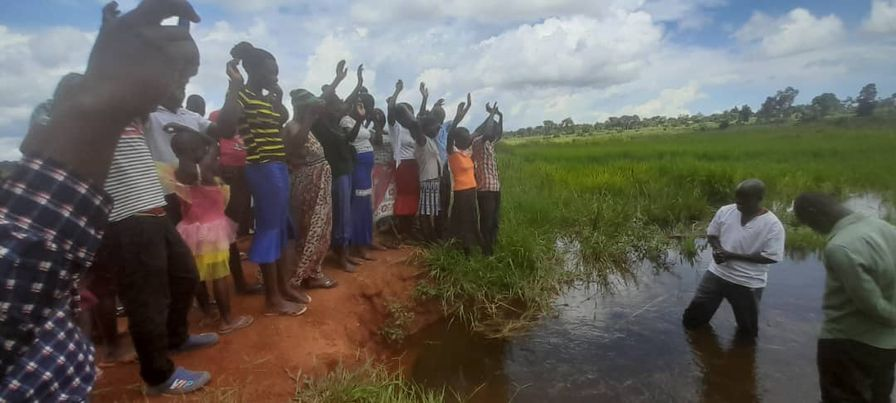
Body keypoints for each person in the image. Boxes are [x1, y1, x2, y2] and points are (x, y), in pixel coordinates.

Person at [1, 1, 208, 398]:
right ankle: (158, 377)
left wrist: (175, 45)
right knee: (147, 297)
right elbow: (35, 146)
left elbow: (153, 92)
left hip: (154, 210)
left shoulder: (131, 118)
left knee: (184, 276)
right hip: (125, 219)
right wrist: (84, 102)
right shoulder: (66, 123)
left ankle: (177, 336)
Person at [228, 41, 307, 315]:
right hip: (262, 168)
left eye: (276, 71)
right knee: (269, 229)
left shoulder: (264, 99)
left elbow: (280, 119)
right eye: (270, 72)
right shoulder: (242, 97)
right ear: (254, 71)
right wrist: (233, 85)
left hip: (277, 167)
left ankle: (282, 287)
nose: (275, 76)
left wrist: (278, 96)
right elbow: (226, 126)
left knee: (282, 228)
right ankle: (272, 299)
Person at [793, 193, 896, 403]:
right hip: (887, 345)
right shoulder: (886, 228)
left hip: (848, 343)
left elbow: (871, 304)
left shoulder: (840, 247)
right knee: (880, 397)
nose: (814, 230)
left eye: (810, 224)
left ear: (817, 217)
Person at [171, 132, 254, 334]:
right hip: (213, 230)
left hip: (189, 229)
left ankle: (208, 313)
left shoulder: (176, 172)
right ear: (194, 151)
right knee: (219, 275)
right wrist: (190, 131)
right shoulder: (205, 169)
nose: (206, 151)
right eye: (201, 149)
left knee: (198, 275)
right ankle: (227, 320)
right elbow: (213, 142)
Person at [682, 179, 785, 339]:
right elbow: (712, 234)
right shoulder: (726, 211)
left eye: (745, 199)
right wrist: (717, 249)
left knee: (747, 332)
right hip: (716, 274)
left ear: (759, 199)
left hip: (747, 283)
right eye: (737, 197)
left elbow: (771, 257)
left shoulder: (773, 225)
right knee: (692, 320)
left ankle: (742, 360)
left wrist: (731, 255)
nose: (739, 202)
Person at [284, 89, 339, 293]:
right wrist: (307, 118)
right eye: (307, 106)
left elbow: (330, 104)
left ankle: (312, 270)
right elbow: (293, 149)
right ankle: (308, 274)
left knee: (321, 228)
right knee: (311, 228)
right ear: (300, 107)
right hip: (307, 185)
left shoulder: (309, 126)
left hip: (318, 183)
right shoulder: (291, 127)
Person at [315, 61, 364, 272]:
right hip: (337, 173)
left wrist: (360, 120)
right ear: (327, 107)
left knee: (346, 213)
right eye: (337, 104)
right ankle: (340, 255)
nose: (342, 107)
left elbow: (349, 139)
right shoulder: (318, 122)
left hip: (347, 169)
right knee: (341, 214)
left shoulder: (334, 123)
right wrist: (337, 80)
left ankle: (342, 251)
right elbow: (322, 99)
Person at [209, 109, 262, 294]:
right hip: (222, 186)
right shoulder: (216, 125)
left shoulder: (242, 127)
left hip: (242, 183)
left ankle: (237, 281)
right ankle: (236, 283)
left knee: (231, 234)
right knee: (225, 234)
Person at [343, 92, 378, 260]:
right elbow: (351, 138)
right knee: (359, 207)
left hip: (366, 167)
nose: (361, 107)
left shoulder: (362, 123)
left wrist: (363, 119)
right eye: (359, 104)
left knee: (366, 206)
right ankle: (358, 245)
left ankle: (366, 239)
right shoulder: (346, 121)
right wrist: (359, 118)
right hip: (358, 167)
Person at [386, 80, 420, 241]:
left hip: (415, 166)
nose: (409, 114)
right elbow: (390, 111)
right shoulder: (396, 129)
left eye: (410, 111)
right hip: (404, 166)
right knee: (405, 196)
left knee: (414, 196)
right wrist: (397, 91)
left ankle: (410, 229)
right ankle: (402, 229)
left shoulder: (413, 128)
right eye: (406, 111)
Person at [445, 95, 479, 255]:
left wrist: (470, 108)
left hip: (471, 191)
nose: (469, 140)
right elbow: (450, 134)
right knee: (464, 221)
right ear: (457, 141)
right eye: (465, 138)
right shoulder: (452, 153)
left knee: (470, 220)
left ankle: (465, 246)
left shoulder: (465, 153)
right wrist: (457, 118)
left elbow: (479, 130)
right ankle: (466, 251)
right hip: (462, 193)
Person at [472, 103, 503, 256]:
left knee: (495, 220)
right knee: (487, 221)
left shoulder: (490, 144)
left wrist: (500, 116)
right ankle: (486, 252)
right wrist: (491, 115)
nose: (495, 135)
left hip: (495, 188)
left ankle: (492, 245)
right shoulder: (479, 142)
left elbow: (500, 134)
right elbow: (489, 130)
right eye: (493, 131)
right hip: (485, 190)